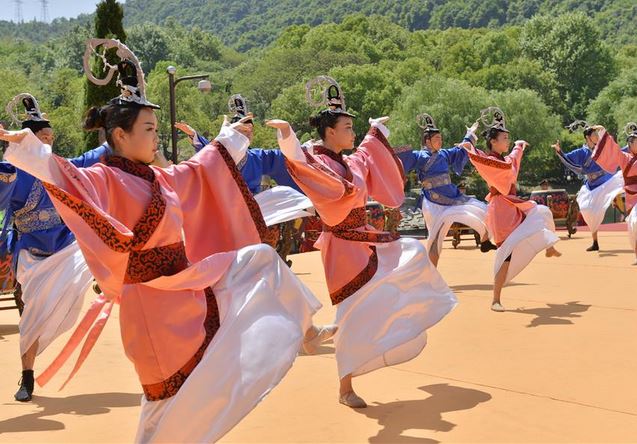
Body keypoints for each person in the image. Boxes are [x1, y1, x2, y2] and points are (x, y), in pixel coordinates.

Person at [0, 39, 324, 443]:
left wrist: (231, 138)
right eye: (149, 129)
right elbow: (65, 175)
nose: (156, 138)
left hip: (183, 285)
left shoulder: (157, 177)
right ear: (119, 134)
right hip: (152, 301)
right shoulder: (104, 178)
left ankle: (306, 328)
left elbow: (200, 170)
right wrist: (28, 150)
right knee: (165, 398)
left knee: (259, 258)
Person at [266, 76, 456, 408]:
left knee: (410, 253)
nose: (351, 133)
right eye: (347, 127)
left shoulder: (348, 160)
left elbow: (368, 156)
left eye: (354, 128)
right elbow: (300, 163)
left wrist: (375, 131)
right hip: (342, 245)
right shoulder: (319, 159)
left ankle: (397, 325)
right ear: (330, 132)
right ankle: (345, 388)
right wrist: (287, 136)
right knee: (351, 312)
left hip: (364, 236)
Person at [0, 93, 109, 402]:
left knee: (100, 243)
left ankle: (105, 279)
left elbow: (98, 156)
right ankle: (27, 375)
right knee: (30, 320)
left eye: (50, 137)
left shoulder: (62, 168)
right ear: (27, 143)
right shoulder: (12, 172)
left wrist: (113, 124)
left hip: (67, 249)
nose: (47, 143)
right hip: (31, 255)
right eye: (41, 138)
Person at [462, 108, 561, 312]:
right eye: (504, 138)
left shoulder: (502, 161)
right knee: (506, 254)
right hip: (501, 210)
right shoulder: (491, 162)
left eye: (508, 138)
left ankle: (549, 246)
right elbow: (477, 155)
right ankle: (495, 299)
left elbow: (512, 162)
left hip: (512, 204)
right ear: (493, 142)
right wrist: (469, 138)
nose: (507, 141)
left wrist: (518, 146)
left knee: (541, 212)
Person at [397, 113, 495, 266]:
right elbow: (398, 158)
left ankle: (484, 238)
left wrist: (470, 134)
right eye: (437, 138)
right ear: (427, 141)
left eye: (441, 138)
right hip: (433, 201)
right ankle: (431, 273)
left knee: (479, 209)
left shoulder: (444, 154)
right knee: (435, 238)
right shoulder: (419, 156)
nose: (440, 141)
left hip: (451, 196)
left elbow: (460, 150)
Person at [553, 120, 624, 251]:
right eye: (594, 135)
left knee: (622, 187)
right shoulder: (581, 152)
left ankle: (627, 215)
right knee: (587, 210)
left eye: (597, 135)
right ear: (587, 137)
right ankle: (595, 242)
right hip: (591, 186)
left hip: (607, 181)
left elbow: (615, 150)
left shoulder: (602, 148)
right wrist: (559, 151)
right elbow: (567, 159)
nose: (597, 137)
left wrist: (602, 130)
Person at [591, 123, 637, 264]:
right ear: (630, 144)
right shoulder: (624, 157)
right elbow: (612, 149)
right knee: (634, 223)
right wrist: (603, 133)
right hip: (632, 196)